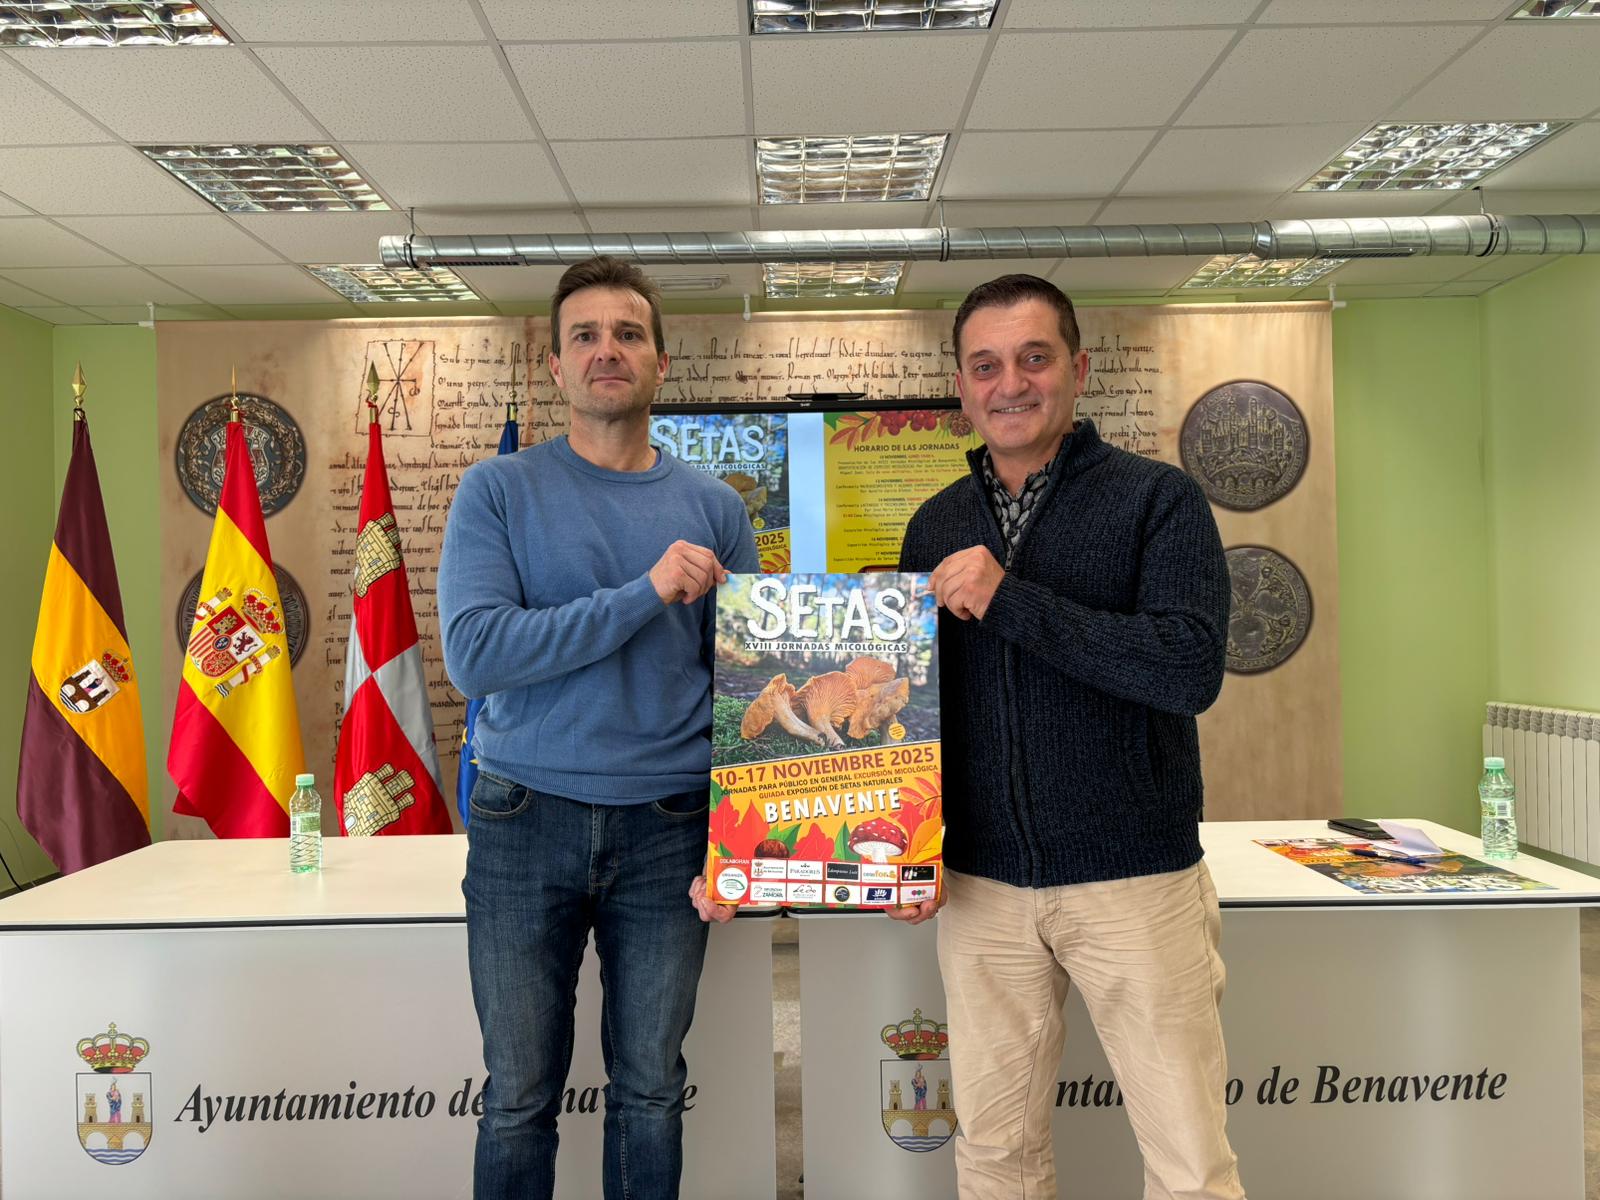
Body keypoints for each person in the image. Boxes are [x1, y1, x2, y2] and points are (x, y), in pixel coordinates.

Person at [893, 274, 1245, 1200]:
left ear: (1078, 370)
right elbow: (913, 717)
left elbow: (1188, 669)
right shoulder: (934, 524)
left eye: (1033, 358)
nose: (1010, 383)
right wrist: (902, 849)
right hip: (982, 889)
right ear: (961, 387)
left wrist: (1012, 601)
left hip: (1135, 881)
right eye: (985, 366)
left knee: (1189, 1161)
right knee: (994, 1154)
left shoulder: (1159, 501)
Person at [439, 256, 758, 1200]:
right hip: (521, 820)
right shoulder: (496, 491)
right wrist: (644, 592)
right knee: (517, 1097)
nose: (606, 350)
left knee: (651, 1091)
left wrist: (743, 839)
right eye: (584, 335)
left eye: (628, 334)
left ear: (661, 362)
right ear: (555, 365)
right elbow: (476, 655)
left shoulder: (716, 509)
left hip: (670, 828)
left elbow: (746, 692)